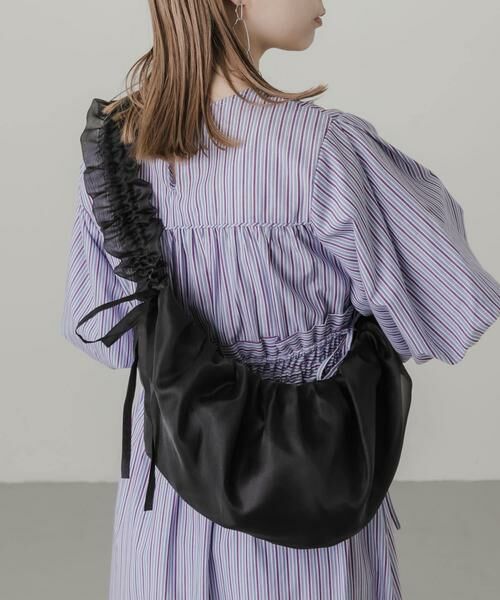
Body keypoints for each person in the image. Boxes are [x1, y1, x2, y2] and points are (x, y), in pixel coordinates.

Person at [60, 0, 500, 598]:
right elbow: (444, 302)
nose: (323, 3)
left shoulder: (118, 153)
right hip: (308, 476)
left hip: (173, 486)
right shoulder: (323, 149)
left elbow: (103, 337)